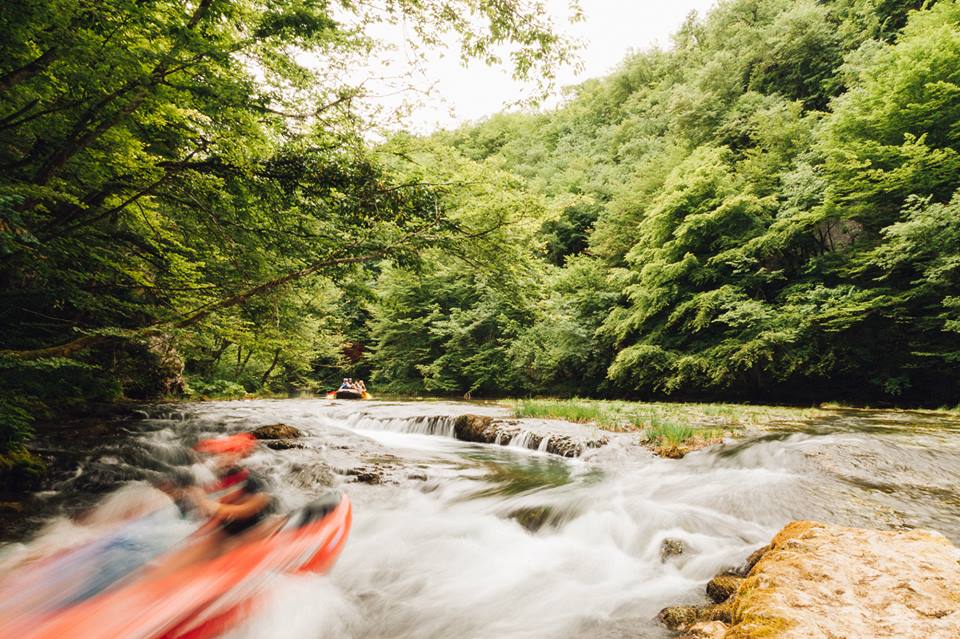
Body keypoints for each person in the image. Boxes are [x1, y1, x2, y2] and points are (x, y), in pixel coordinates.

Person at [148, 433, 277, 577]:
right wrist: (183, 496)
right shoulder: (215, 479)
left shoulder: (255, 480)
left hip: (256, 528)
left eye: (230, 454)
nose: (222, 459)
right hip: (226, 530)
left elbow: (251, 507)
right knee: (180, 559)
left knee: (230, 547)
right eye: (220, 454)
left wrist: (214, 507)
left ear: (241, 456)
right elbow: (204, 508)